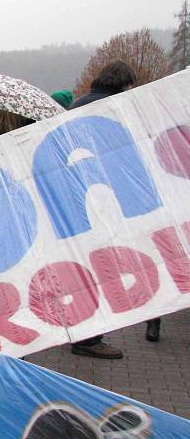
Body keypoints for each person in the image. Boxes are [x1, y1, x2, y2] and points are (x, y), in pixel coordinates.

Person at [67, 60, 137, 359]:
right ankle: (89, 337)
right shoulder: (116, 107)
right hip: (102, 199)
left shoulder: (79, 104)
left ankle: (78, 328)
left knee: (81, 267)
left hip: (76, 199)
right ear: (123, 84)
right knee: (100, 268)